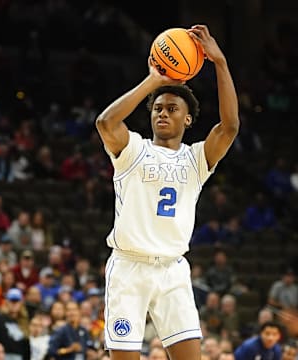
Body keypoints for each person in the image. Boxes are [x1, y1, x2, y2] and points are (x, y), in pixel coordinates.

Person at [95, 24, 239, 360]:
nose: (162, 112)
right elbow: (105, 123)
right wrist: (155, 80)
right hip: (129, 268)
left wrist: (220, 63)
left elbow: (230, 126)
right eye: (158, 108)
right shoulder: (133, 150)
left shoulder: (196, 159)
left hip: (173, 270)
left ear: (188, 120)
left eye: (172, 109)